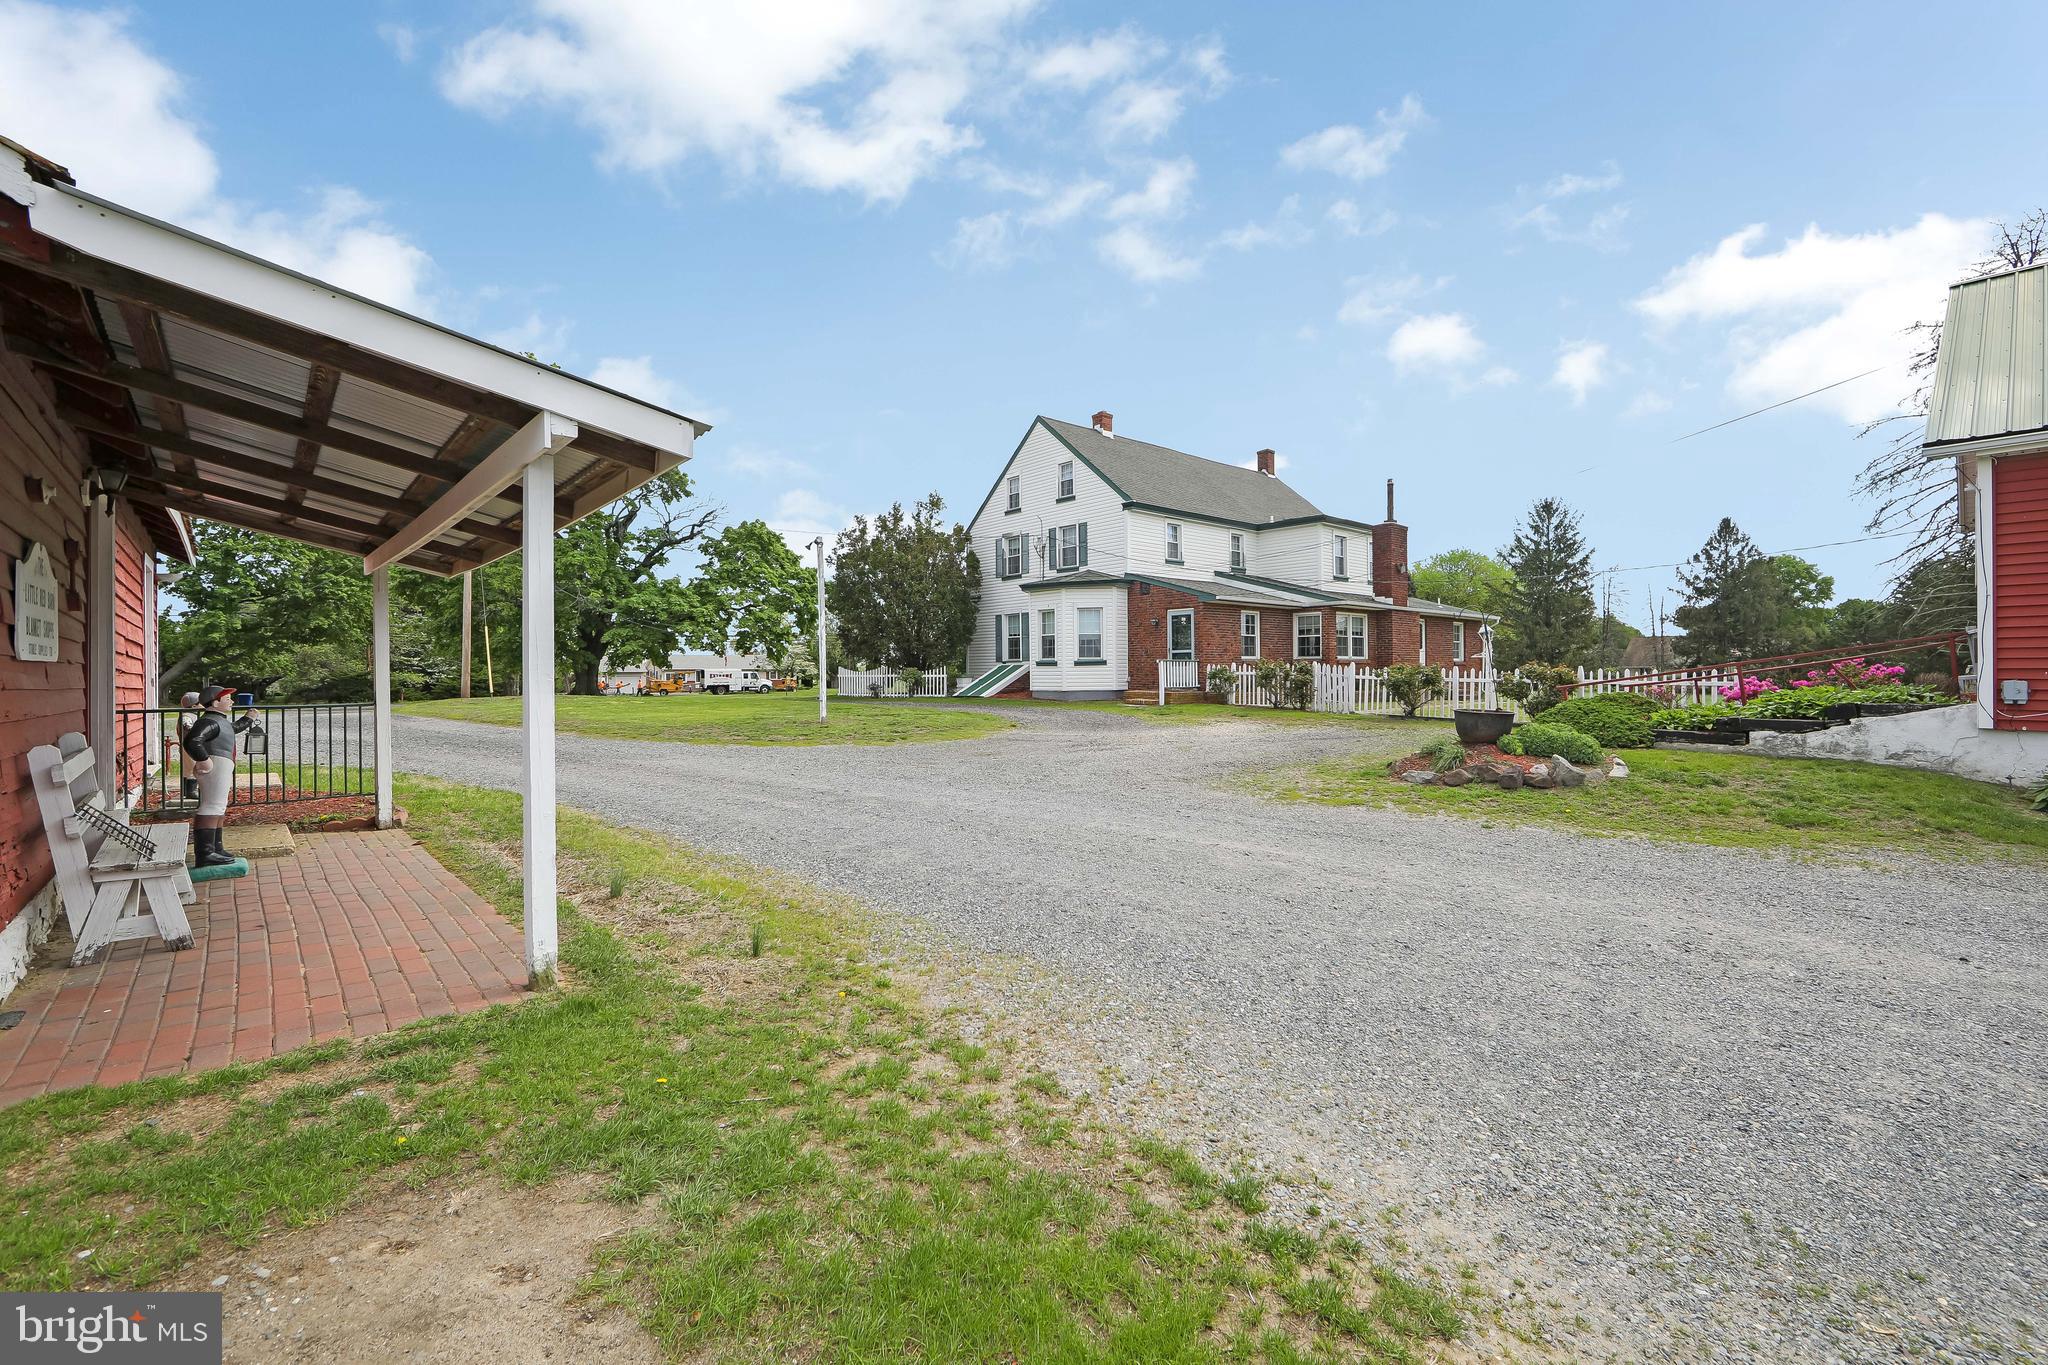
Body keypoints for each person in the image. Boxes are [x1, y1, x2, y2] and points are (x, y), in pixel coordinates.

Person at [181, 684, 252, 867]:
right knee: (211, 806)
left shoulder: (218, 721)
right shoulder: (209, 721)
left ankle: (215, 848)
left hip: (222, 765)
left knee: (219, 806)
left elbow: (232, 728)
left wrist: (249, 718)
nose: (232, 702)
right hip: (215, 764)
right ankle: (205, 853)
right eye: (228, 699)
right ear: (215, 701)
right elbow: (192, 740)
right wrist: (203, 760)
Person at [174, 690, 203, 801]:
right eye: (201, 703)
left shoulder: (191, 715)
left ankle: (187, 790)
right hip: (190, 746)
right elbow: (187, 729)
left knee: (189, 767)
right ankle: (191, 790)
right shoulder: (187, 716)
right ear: (194, 705)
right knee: (192, 767)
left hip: (190, 745)